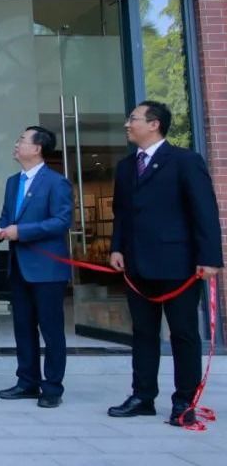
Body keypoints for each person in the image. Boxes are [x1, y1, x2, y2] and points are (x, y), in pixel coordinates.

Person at [106, 101, 222, 426]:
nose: (127, 124)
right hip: (136, 266)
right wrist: (117, 248)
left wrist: (210, 259)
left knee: (183, 334)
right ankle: (142, 396)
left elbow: (204, 211)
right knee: (143, 333)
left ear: (154, 124)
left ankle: (184, 401)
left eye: (133, 119)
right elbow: (121, 213)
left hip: (178, 265)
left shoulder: (185, 161)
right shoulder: (126, 167)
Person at [0, 126, 72, 408]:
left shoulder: (56, 182)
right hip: (19, 267)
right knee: (23, 328)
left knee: (51, 330)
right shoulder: (13, 182)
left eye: (21, 140)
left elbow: (61, 222)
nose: (16, 143)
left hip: (47, 270)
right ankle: (27, 382)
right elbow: (7, 217)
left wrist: (20, 231)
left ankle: (52, 387)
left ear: (37, 149)